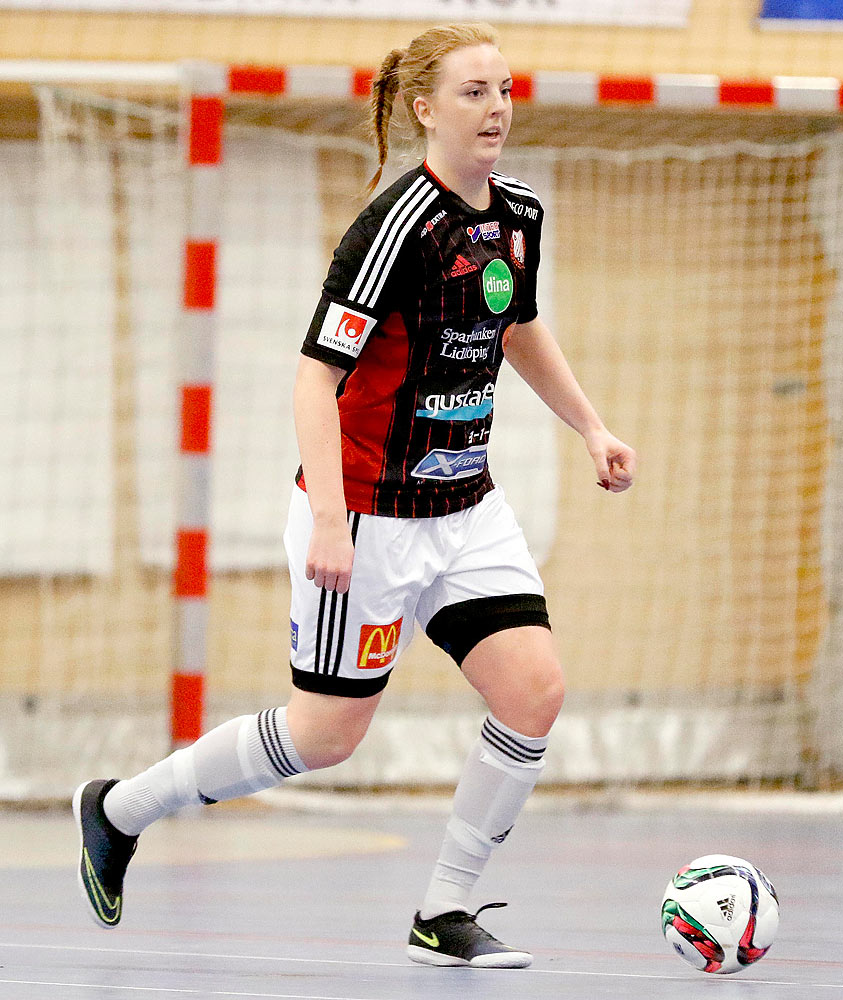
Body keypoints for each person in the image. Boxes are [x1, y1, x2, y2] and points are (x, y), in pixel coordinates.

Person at [73, 22, 635, 969]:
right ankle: (120, 808)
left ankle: (443, 910)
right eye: (473, 92)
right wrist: (330, 519)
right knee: (325, 737)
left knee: (534, 692)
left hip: (466, 510)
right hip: (367, 516)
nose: (497, 107)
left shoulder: (520, 214)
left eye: (505, 88)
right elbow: (313, 377)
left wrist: (590, 425)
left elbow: (519, 325)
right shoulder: (390, 228)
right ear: (423, 108)